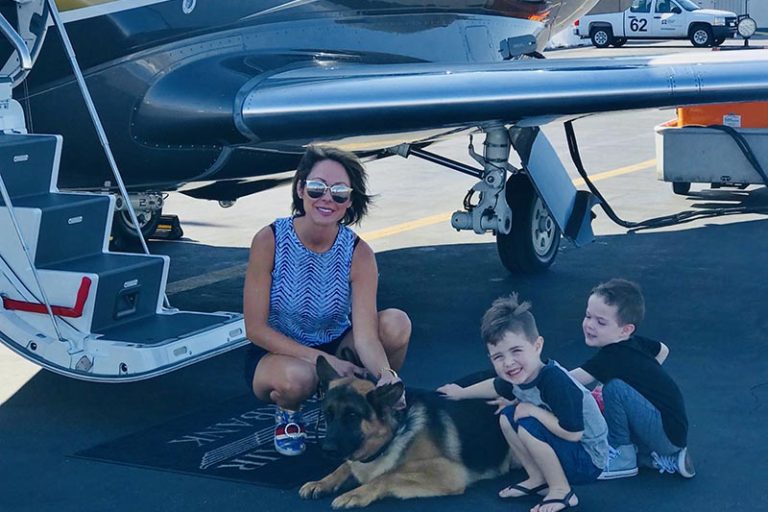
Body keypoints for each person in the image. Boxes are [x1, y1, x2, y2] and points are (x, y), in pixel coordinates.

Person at [243, 145, 411, 457]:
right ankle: (289, 413)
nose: (326, 199)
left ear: (350, 201)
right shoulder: (269, 240)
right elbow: (254, 328)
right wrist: (321, 362)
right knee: (298, 378)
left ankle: (372, 405)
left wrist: (386, 373)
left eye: (339, 192)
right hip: (279, 351)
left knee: (396, 323)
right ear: (300, 188)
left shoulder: (359, 253)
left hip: (337, 345)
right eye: (317, 187)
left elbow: (365, 335)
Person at [438, 294, 607, 512]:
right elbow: (495, 385)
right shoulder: (520, 376)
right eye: (498, 357)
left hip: (588, 459)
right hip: (569, 448)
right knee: (507, 417)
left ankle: (561, 490)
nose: (508, 362)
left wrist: (533, 411)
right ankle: (538, 478)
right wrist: (461, 393)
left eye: (516, 351)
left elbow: (573, 433)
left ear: (537, 346)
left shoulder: (554, 381)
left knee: (528, 423)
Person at [570, 278, 695, 479]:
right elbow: (663, 349)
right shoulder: (634, 343)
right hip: (672, 429)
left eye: (601, 322)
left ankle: (623, 459)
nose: (590, 325)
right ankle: (653, 456)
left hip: (665, 433)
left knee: (613, 389)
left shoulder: (612, 356)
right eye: (588, 316)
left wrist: (530, 380)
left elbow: (569, 381)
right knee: (614, 390)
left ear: (626, 329)